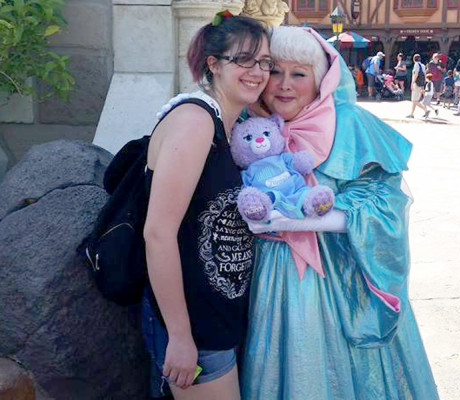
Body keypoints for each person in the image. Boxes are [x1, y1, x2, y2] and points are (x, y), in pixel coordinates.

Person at [240, 26, 438, 400]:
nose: (284, 84)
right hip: (267, 273)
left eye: (299, 74)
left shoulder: (351, 122)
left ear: (321, 80)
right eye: (275, 71)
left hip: (341, 275)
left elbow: (384, 204)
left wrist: (292, 219)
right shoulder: (248, 126)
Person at [141, 14, 272, 399]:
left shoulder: (231, 125)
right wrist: (180, 336)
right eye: (243, 59)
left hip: (218, 318)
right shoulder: (195, 122)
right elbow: (158, 233)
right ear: (213, 64)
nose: (258, 72)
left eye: (264, 62)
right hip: (194, 328)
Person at [406, 53, 428, 119]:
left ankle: (426, 110)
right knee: (415, 99)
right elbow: (425, 75)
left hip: (416, 83)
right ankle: (412, 113)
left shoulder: (416, 65)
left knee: (414, 100)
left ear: (414, 59)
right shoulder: (423, 65)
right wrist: (423, 85)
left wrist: (412, 83)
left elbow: (416, 74)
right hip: (421, 84)